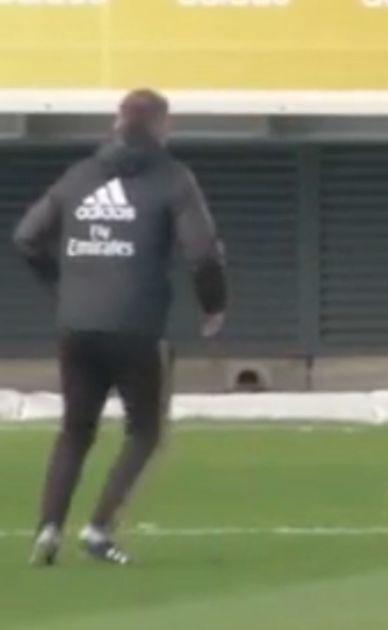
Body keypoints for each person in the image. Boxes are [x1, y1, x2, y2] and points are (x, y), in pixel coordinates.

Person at [15, 89, 229, 565]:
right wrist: (214, 306)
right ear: (163, 127)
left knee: (75, 430)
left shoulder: (80, 176)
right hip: (137, 327)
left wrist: (64, 286)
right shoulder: (173, 179)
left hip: (76, 325)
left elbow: (26, 237)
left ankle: (48, 530)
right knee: (146, 430)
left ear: (117, 124)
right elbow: (202, 253)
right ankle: (98, 529)